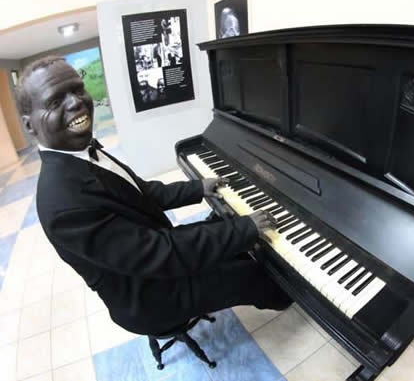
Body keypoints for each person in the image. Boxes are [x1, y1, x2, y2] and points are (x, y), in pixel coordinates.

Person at [17, 56, 292, 336]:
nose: (75, 102)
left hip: (156, 260)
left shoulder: (83, 152)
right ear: (30, 126)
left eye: (77, 89)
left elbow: (142, 192)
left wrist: (198, 188)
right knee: (251, 274)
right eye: (55, 101)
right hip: (151, 297)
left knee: (227, 228)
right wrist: (244, 228)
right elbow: (160, 253)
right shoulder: (62, 203)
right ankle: (287, 299)